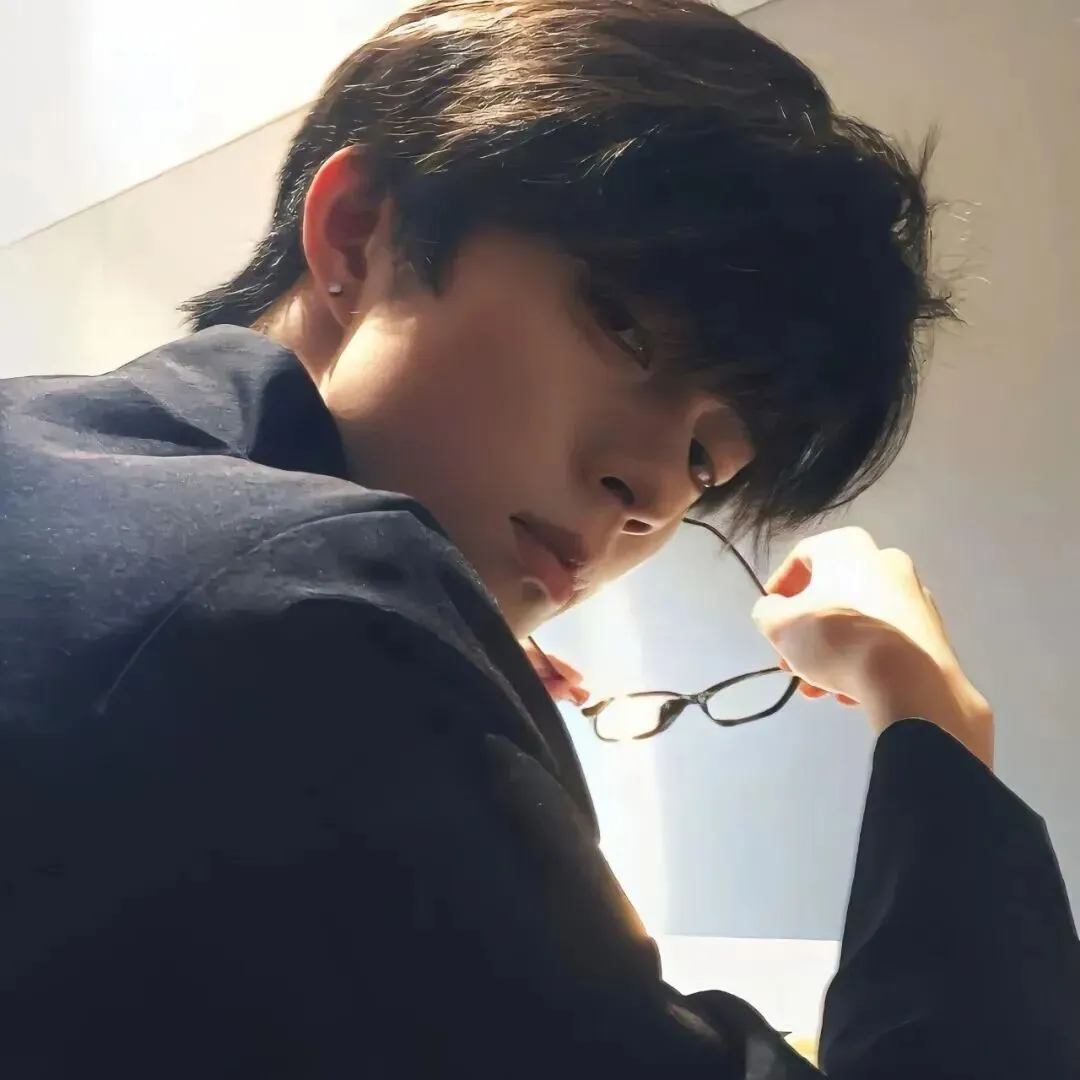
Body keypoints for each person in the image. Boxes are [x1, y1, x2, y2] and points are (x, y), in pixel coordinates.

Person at [0, 0, 1076, 1075]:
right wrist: (927, 711)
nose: (652, 490)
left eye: (708, 463)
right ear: (360, 230)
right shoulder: (310, 597)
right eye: (625, 330)